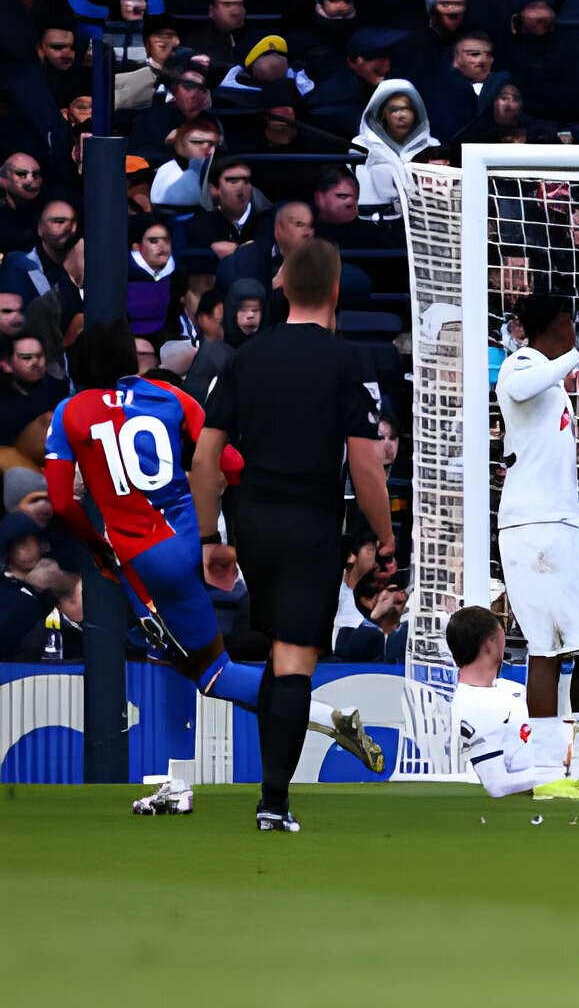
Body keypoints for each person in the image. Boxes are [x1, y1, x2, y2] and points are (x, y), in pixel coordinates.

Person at [43, 318, 383, 817]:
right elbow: (232, 464)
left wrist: (99, 547)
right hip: (190, 543)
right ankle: (296, 721)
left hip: (143, 563)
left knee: (211, 675)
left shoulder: (70, 412)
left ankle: (327, 717)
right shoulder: (171, 396)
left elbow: (59, 502)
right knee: (188, 664)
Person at [190, 240, 391, 833]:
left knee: (280, 651)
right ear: (334, 291)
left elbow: (205, 462)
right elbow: (366, 464)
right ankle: (273, 801)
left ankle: (270, 792)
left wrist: (210, 537)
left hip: (251, 520)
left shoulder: (243, 358)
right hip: (309, 520)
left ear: (281, 286)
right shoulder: (346, 361)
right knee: (297, 658)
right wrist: (383, 535)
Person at [494, 292, 579, 798]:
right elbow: (521, 387)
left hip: (559, 526)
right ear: (555, 326)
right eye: (570, 323)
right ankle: (551, 770)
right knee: (551, 646)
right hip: (533, 528)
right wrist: (575, 358)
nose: (576, 331)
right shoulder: (519, 365)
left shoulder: (554, 382)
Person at [447, 604, 571, 799]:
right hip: (543, 794)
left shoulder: (509, 688)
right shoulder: (471, 707)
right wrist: (556, 775)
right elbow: (497, 784)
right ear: (490, 644)